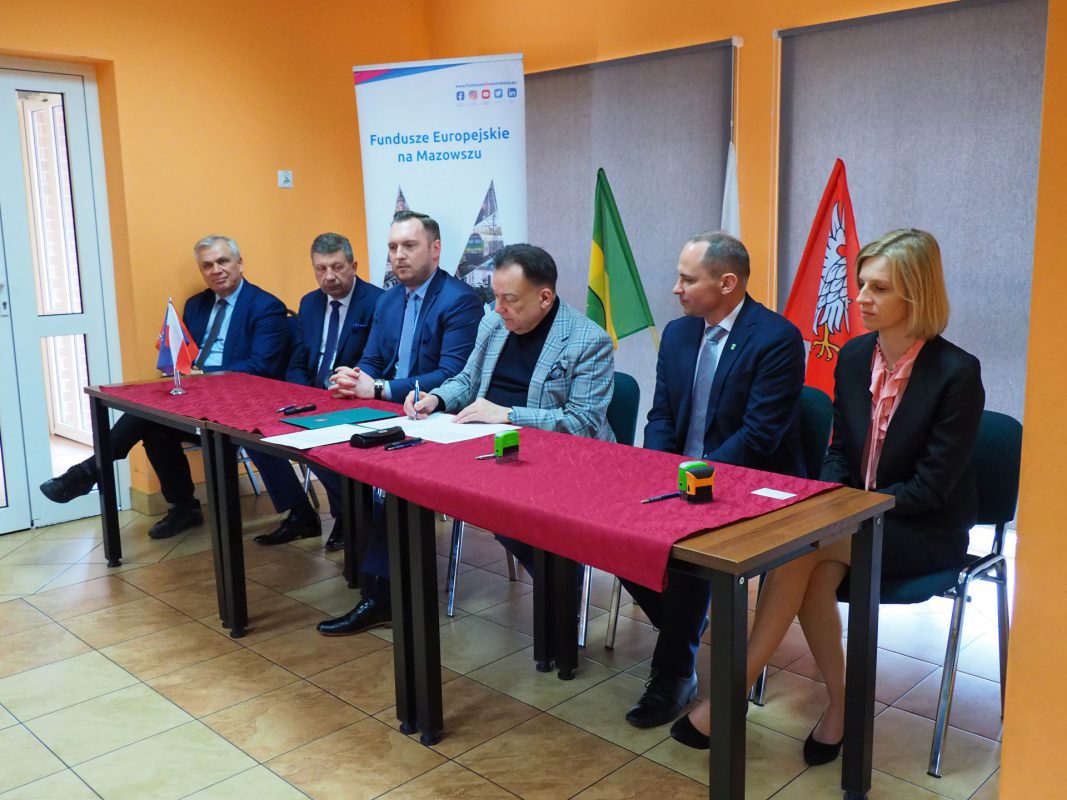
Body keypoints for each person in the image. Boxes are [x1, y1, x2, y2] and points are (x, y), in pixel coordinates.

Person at [671, 229, 985, 764]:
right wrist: (836, 503)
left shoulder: (956, 373)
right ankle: (842, 709)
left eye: (878, 288)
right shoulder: (856, 355)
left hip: (922, 528)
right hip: (854, 520)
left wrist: (848, 514)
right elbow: (839, 450)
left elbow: (932, 486)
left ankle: (729, 695)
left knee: (801, 549)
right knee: (811, 568)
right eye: (861, 284)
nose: (860, 298)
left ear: (917, 294)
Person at [621, 231, 806, 729]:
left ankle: (673, 673)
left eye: (687, 279)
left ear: (727, 283)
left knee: (684, 556)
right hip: (679, 477)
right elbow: (662, 415)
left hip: (747, 484)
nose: (675, 288)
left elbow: (758, 437)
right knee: (609, 532)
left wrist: (693, 482)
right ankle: (686, 625)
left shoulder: (776, 339)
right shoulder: (679, 334)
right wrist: (659, 472)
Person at [39, 235, 289, 539]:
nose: (216, 270)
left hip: (240, 404)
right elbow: (181, 351)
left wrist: (204, 374)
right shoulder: (196, 305)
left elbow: (262, 368)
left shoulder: (265, 306)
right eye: (207, 265)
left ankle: (90, 471)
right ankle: (182, 507)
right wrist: (177, 367)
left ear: (240, 263)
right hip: (194, 399)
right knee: (154, 424)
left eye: (223, 261)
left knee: (150, 421)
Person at [315, 210, 481, 635]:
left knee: (391, 482)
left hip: (436, 416)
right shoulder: (388, 300)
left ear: (435, 249)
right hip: (387, 413)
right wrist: (354, 377)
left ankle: (384, 596)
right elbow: (372, 358)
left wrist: (379, 387)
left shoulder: (460, 300)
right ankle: (367, 570)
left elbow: (452, 374)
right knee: (329, 457)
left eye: (409, 246)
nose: (398, 255)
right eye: (392, 247)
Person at [411, 242, 615, 576]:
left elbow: (582, 422)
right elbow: (468, 379)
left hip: (558, 460)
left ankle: (562, 584)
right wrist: (436, 399)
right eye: (495, 296)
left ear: (544, 298)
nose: (499, 308)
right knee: (409, 477)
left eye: (509, 299)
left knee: (506, 509)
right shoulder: (493, 323)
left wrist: (507, 414)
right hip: (489, 448)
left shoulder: (588, 341)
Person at [250, 233, 382, 549]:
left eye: (337, 267)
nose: (329, 277)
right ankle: (300, 512)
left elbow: (377, 360)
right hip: (312, 397)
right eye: (321, 269)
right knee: (255, 432)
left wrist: (344, 388)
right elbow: (299, 359)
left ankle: (349, 517)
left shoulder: (377, 301)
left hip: (351, 398)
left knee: (322, 445)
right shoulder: (309, 303)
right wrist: (301, 395)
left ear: (354, 265)